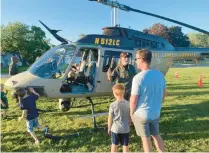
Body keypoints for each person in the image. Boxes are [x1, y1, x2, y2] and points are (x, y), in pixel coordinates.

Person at [130, 49, 166, 152]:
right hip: (155, 113)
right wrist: (157, 106)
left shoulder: (138, 78)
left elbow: (133, 100)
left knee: (145, 139)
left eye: (136, 59)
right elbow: (164, 94)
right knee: (156, 135)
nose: (135, 61)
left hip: (141, 114)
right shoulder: (160, 75)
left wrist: (131, 114)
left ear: (142, 59)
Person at [108, 83, 130, 152]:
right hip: (126, 129)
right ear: (124, 92)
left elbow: (110, 118)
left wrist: (109, 127)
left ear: (115, 94)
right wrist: (130, 122)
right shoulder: (128, 104)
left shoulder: (112, 105)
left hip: (115, 129)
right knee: (125, 145)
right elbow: (130, 116)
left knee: (114, 145)